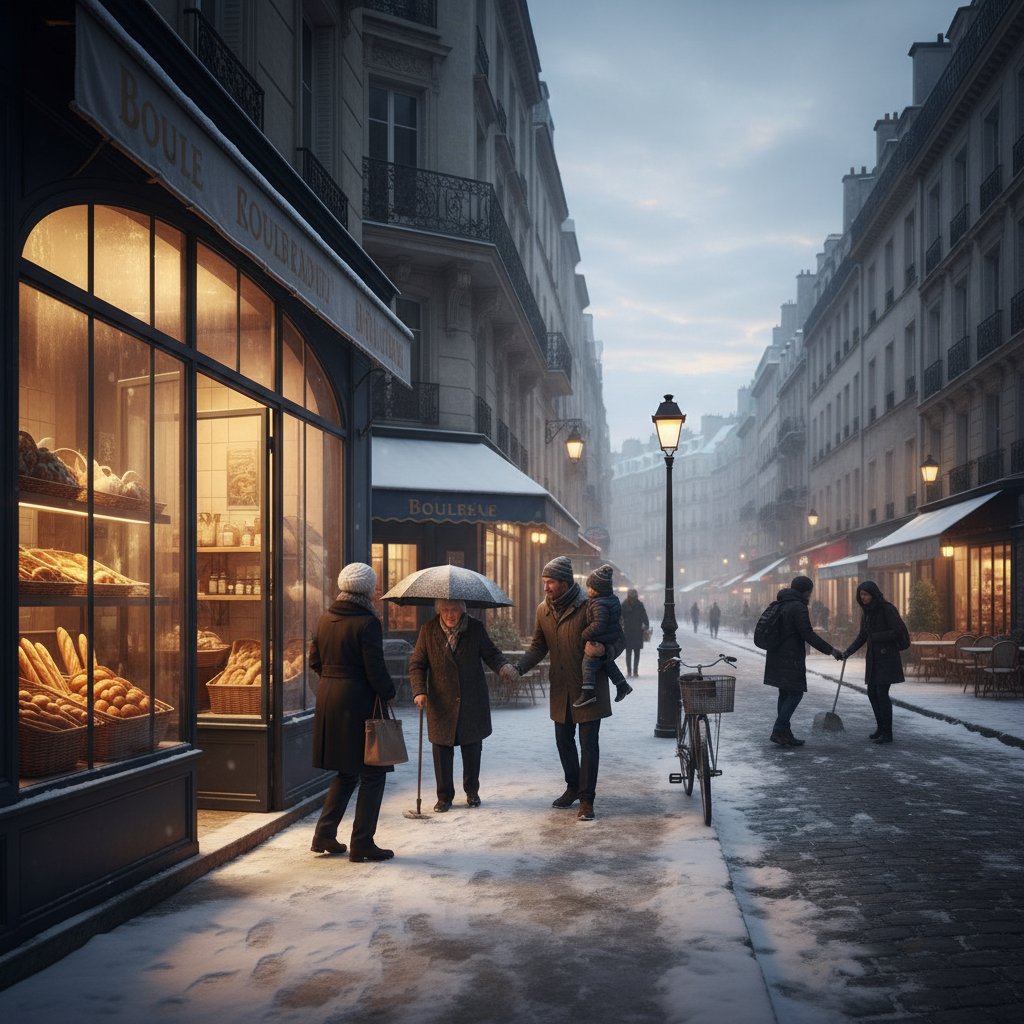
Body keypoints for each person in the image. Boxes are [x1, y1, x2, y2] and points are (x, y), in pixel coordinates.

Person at [309, 562, 397, 862]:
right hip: (359, 702)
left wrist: (335, 679)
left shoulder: (324, 619)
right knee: (373, 773)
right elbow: (375, 669)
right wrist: (389, 692)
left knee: (346, 772)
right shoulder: (367, 623)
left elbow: (315, 663)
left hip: (329, 701)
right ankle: (362, 843)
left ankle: (324, 834)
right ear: (368, 590)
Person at [514, 555, 611, 821]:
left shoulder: (590, 606)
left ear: (566, 583)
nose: (545, 587)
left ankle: (587, 800)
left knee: (588, 744)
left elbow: (617, 638)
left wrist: (605, 649)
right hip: (560, 689)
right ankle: (573, 787)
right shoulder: (543, 610)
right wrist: (519, 668)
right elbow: (537, 646)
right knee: (563, 741)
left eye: (551, 582)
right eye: (544, 582)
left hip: (588, 688)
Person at [409, 599, 518, 810]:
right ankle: (444, 797)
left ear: (463, 610)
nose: (450, 614)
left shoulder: (475, 628)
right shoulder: (428, 630)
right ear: (439, 611)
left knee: (472, 747)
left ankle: (472, 792)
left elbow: (491, 653)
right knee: (441, 749)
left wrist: (503, 667)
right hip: (441, 701)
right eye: (446, 610)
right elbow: (417, 664)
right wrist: (419, 691)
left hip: (471, 698)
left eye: (455, 609)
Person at [763, 575, 843, 747]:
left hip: (776, 656)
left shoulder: (781, 603)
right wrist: (831, 650)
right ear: (806, 592)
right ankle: (779, 728)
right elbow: (808, 634)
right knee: (795, 693)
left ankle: (785, 733)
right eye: (810, 592)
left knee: (784, 693)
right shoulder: (798, 607)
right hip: (791, 658)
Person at [838, 581, 907, 744]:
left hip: (887, 658)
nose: (862, 598)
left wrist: (876, 637)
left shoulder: (887, 609)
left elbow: (897, 631)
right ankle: (880, 728)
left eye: (866, 594)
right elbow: (863, 635)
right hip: (874, 658)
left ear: (873, 595)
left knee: (882, 694)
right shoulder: (867, 612)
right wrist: (847, 652)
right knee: (872, 693)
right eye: (861, 594)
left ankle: (887, 732)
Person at [573, 564, 631, 708]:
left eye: (590, 588)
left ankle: (587, 692)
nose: (588, 590)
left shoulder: (598, 604)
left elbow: (599, 624)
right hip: (611, 637)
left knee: (588, 663)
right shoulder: (611, 599)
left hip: (602, 638)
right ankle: (622, 684)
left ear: (598, 589)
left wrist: (585, 634)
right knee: (607, 662)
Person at [620, 588, 650, 678]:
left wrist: (646, 625)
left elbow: (644, 616)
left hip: (637, 631)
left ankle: (635, 671)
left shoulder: (640, 605)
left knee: (637, 652)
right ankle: (629, 671)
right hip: (628, 632)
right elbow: (620, 617)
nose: (633, 599)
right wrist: (622, 625)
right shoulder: (624, 605)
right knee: (628, 652)